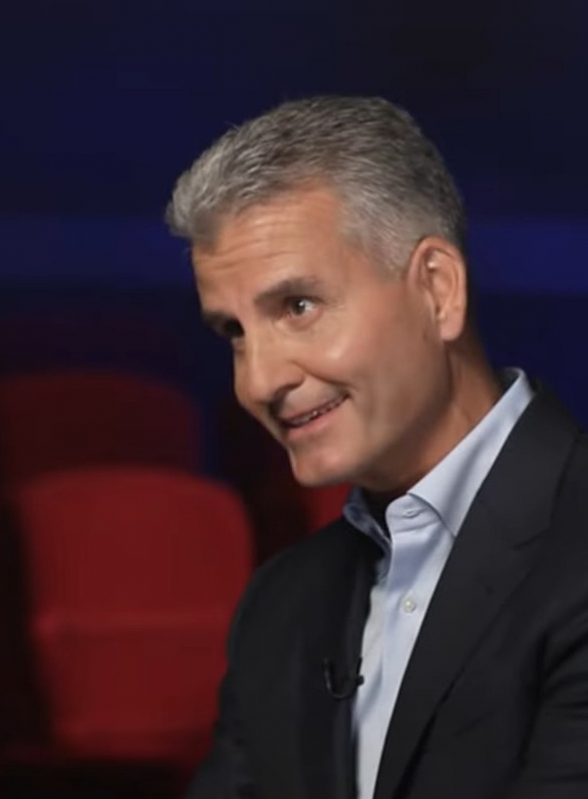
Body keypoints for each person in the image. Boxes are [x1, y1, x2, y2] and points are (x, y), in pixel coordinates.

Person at [167, 96, 588, 799]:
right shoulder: (280, 605)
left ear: (437, 290)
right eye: (234, 333)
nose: (259, 381)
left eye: (298, 307)